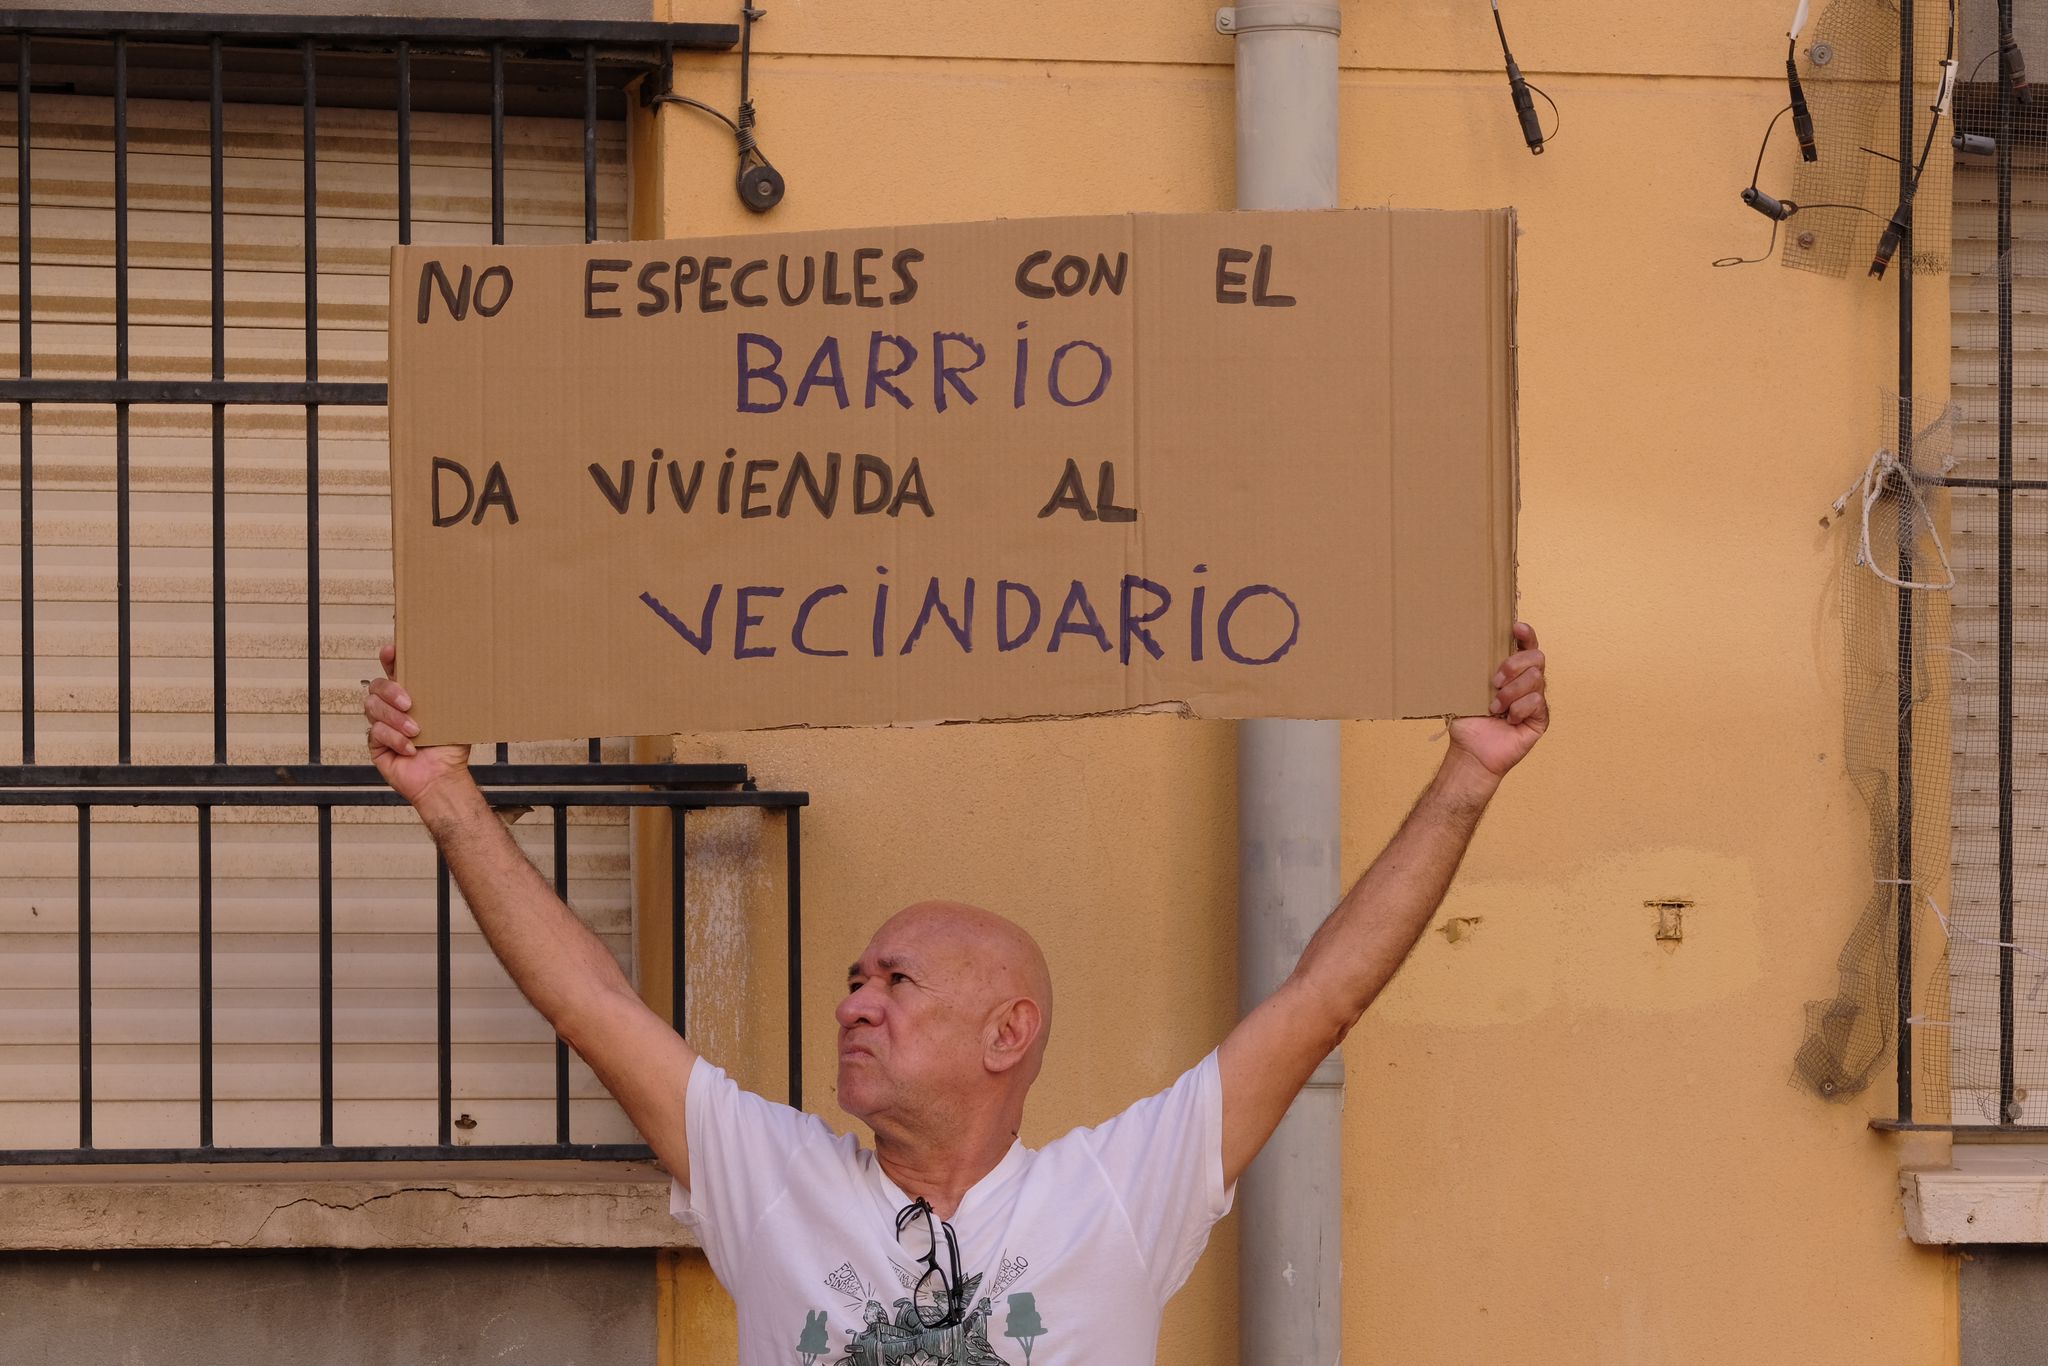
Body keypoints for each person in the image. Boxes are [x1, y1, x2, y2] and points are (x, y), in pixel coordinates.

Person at [362, 623, 1549, 1366]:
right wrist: (448, 795)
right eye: (850, 982)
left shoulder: (1116, 1197)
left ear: (1006, 1032)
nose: (853, 1005)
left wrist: (1465, 772)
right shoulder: (769, 1181)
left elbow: (1321, 998)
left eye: (895, 982)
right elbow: (592, 1007)